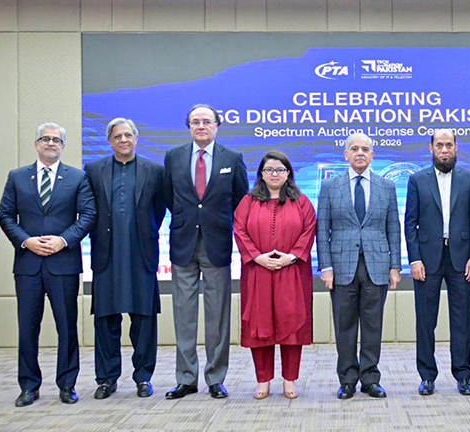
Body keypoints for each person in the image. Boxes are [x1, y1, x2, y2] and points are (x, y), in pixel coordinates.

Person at [0, 123, 96, 407]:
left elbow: (88, 215)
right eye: (46, 139)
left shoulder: (77, 177)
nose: (51, 143)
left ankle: (67, 385)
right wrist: (26, 241)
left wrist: (63, 241)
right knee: (28, 327)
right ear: (36, 144)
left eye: (57, 140)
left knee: (67, 327)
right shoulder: (17, 177)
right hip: (28, 265)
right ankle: (28, 386)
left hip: (63, 263)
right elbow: (5, 215)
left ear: (63, 146)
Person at [163, 104, 248, 399]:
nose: (201, 126)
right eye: (195, 121)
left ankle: (215, 377)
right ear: (188, 126)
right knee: (184, 315)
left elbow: (241, 203)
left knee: (217, 315)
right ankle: (186, 378)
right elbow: (167, 197)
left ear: (217, 126)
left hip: (218, 245)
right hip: (183, 244)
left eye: (206, 121)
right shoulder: (173, 157)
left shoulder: (232, 159)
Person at [85, 118, 165, 399]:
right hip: (106, 254)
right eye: (117, 136)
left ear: (136, 138)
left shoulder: (154, 170)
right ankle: (106, 379)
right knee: (106, 318)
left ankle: (144, 377)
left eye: (128, 135)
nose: (123, 140)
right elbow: (89, 209)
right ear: (110, 141)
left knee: (144, 318)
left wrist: (143, 231)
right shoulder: (93, 170)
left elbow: (159, 209)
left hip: (141, 253)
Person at [316, 132, 401, 399]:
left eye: (365, 149)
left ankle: (370, 378)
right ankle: (348, 380)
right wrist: (325, 267)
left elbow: (393, 229)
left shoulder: (386, 186)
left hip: (377, 265)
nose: (360, 153)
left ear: (372, 154)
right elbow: (322, 229)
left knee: (373, 325)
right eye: (355, 149)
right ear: (346, 155)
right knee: (345, 325)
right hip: (341, 267)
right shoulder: (331, 187)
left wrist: (395, 266)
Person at [404, 129, 470, 396]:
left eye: (449, 145)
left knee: (462, 319)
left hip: (462, 259)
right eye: (440, 145)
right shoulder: (417, 180)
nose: (445, 150)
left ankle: (463, 375)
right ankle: (427, 376)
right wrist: (414, 258)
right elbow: (410, 224)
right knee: (426, 320)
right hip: (426, 260)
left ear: (457, 147)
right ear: (431, 149)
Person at [234, 151, 316, 400]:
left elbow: (309, 230)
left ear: (288, 173)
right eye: (269, 169)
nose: (274, 174)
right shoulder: (248, 201)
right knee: (260, 326)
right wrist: (257, 257)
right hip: (257, 272)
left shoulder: (301, 201)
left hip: (292, 272)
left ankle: (289, 380)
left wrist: (290, 257)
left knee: (291, 325)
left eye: (280, 169)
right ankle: (263, 381)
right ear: (261, 173)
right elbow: (239, 230)